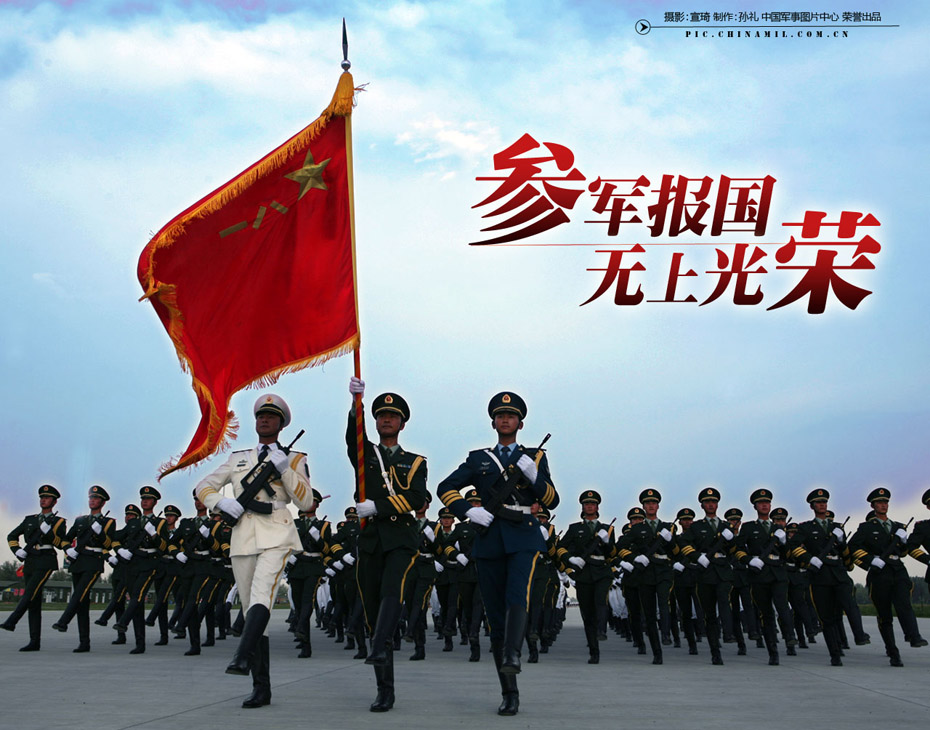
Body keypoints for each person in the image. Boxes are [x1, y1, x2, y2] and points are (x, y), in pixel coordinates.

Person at [436, 391, 558, 717]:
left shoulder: (534, 457)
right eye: (500, 416)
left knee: (517, 595)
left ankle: (514, 654)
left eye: (511, 416)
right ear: (493, 423)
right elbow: (445, 488)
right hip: (489, 538)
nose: (505, 420)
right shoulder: (479, 459)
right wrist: (467, 511)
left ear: (520, 423)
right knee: (494, 616)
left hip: (524, 535)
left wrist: (533, 475)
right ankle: (509, 692)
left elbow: (552, 499)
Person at [195, 393, 315, 708]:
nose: (265, 420)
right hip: (243, 536)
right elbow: (203, 487)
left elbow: (306, 502)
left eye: (271, 417)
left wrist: (285, 470)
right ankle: (261, 687)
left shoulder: (294, 458)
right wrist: (222, 502)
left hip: (277, 531)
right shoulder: (238, 458)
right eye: (261, 416)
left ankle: (241, 656)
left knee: (263, 592)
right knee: (250, 610)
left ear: (281, 424)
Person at [346, 377, 428, 713]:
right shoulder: (366, 454)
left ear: (402, 424)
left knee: (392, 591)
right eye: (381, 416)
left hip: (400, 538)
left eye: (392, 416)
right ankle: (384, 688)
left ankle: (380, 645)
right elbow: (353, 438)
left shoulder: (416, 461)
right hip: (370, 540)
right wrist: (356, 405)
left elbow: (417, 497)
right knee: (371, 610)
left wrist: (377, 506)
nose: (386, 420)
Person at [848, 487, 927, 667]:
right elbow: (853, 547)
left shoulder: (898, 526)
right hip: (879, 573)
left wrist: (904, 542)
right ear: (873, 506)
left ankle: (914, 636)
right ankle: (893, 651)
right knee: (885, 615)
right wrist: (871, 560)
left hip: (898, 570)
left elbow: (904, 552)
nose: (883, 505)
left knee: (904, 605)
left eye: (885, 502)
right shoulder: (867, 527)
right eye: (879, 502)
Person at [2, 485, 68, 650]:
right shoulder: (29, 519)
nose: (43, 500)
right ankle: (34, 641)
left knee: (29, 592)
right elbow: (12, 536)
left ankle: (12, 620)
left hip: (46, 560)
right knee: (34, 601)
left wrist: (49, 533)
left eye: (47, 498)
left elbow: (61, 544)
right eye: (41, 497)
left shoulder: (59, 521)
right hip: (30, 560)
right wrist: (17, 550)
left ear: (54, 502)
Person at [733, 488, 795, 665]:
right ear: (755, 506)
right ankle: (772, 651)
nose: (764, 505)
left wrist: (784, 541)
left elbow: (788, 554)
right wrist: (749, 560)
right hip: (759, 574)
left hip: (778, 572)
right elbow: (738, 549)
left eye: (767, 502)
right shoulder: (748, 527)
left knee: (782, 606)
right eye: (761, 503)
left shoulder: (778, 528)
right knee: (766, 613)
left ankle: (790, 636)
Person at [52, 485, 117, 652]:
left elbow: (108, 544)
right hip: (78, 561)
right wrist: (68, 550)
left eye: (96, 498)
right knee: (82, 602)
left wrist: (100, 532)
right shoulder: (80, 520)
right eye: (90, 498)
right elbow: (66, 539)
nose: (92, 501)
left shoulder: (108, 522)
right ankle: (84, 642)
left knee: (79, 593)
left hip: (94, 562)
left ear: (102, 502)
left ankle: (63, 621)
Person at [678, 487, 738, 665]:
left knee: (724, 599)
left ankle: (728, 634)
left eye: (713, 502)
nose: (711, 504)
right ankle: (715, 651)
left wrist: (732, 539)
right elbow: (683, 542)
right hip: (705, 572)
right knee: (709, 613)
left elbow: (734, 549)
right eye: (707, 502)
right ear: (702, 505)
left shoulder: (726, 526)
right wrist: (697, 557)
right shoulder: (697, 526)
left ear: (717, 504)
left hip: (723, 570)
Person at [558, 489, 615, 664]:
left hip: (602, 571)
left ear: (597, 507)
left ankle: (602, 630)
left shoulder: (607, 529)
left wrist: (607, 542)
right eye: (586, 504)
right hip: (583, 574)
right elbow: (561, 548)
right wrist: (571, 559)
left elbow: (612, 553)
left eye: (592, 504)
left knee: (601, 601)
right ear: (582, 507)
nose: (589, 506)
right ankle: (593, 651)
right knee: (587, 614)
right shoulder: (575, 528)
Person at [112, 485, 167, 654]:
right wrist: (119, 550)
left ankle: (123, 622)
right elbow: (115, 538)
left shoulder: (160, 523)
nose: (145, 501)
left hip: (150, 563)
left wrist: (154, 535)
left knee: (137, 595)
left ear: (155, 502)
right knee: (137, 603)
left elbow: (164, 547)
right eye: (143, 499)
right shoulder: (134, 522)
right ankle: (139, 643)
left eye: (148, 499)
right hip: (133, 563)